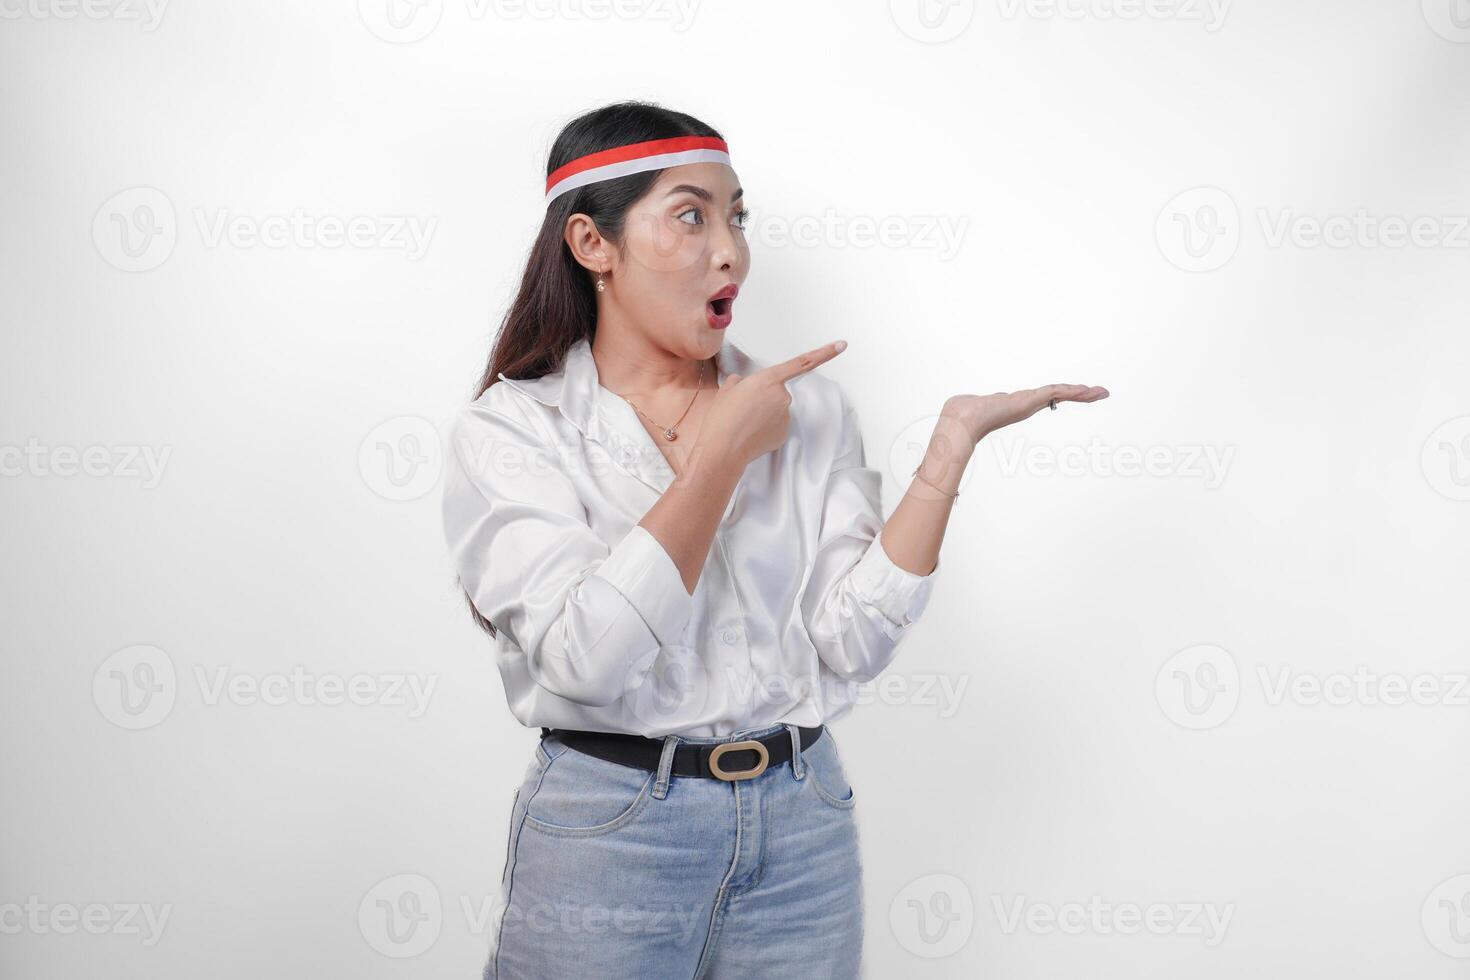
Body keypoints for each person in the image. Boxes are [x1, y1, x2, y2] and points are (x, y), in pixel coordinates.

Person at [441, 100, 1109, 979]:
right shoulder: (516, 431)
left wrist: (948, 453)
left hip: (803, 824)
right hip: (612, 829)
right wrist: (717, 459)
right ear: (591, 244)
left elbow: (849, 641)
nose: (731, 250)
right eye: (691, 214)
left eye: (737, 216)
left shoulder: (810, 409)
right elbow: (583, 663)